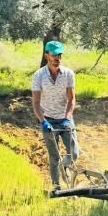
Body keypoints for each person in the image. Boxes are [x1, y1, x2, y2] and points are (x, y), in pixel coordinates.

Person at [31, 40, 79, 191]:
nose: (57, 58)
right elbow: (36, 103)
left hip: (65, 119)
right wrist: (43, 121)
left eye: (59, 55)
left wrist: (67, 117)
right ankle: (56, 186)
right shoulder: (38, 76)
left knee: (74, 154)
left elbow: (71, 99)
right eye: (53, 55)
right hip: (48, 121)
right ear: (46, 56)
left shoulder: (68, 74)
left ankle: (63, 168)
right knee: (53, 156)